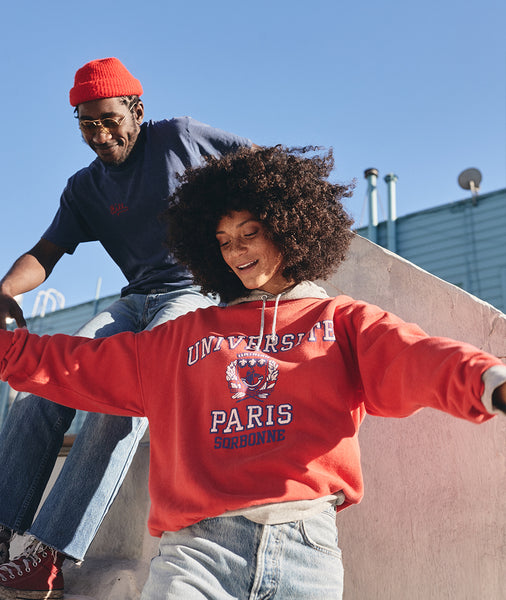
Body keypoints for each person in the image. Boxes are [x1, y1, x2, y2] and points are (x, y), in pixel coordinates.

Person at [0, 145, 504, 600]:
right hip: (196, 556)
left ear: (288, 227)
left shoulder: (342, 322)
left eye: (250, 233)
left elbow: (416, 357)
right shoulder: (184, 336)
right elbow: (77, 365)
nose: (236, 252)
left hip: (306, 553)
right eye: (223, 241)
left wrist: (489, 382)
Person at [0, 57, 253, 598]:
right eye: (87, 124)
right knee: (41, 384)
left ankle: (49, 555)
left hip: (193, 294)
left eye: (110, 119)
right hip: (134, 300)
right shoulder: (85, 187)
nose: (100, 134)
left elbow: (259, 165)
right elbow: (46, 253)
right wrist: (5, 291)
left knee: (126, 395)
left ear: (136, 110)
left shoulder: (179, 138)